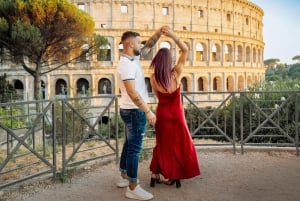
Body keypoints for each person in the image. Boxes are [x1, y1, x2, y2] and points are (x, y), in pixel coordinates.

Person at [149, 27, 201, 188]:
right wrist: (172, 35)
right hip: (177, 114)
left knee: (162, 144)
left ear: (157, 61)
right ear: (169, 61)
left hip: (163, 114)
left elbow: (157, 96)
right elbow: (185, 50)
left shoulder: (153, 78)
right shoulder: (176, 73)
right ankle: (174, 175)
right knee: (179, 144)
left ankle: (155, 173)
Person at [116, 27, 164, 200]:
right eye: (138, 41)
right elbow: (132, 92)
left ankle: (123, 176)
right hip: (135, 111)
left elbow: (148, 46)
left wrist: (159, 33)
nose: (140, 44)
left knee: (129, 145)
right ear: (129, 44)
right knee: (135, 149)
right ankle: (133, 187)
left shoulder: (132, 58)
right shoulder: (126, 65)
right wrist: (148, 111)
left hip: (129, 110)